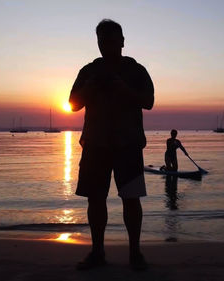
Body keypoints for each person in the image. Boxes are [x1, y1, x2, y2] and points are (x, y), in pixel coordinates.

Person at [69, 19, 154, 271]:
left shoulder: (136, 70)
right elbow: (73, 103)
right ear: (98, 42)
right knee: (95, 199)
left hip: (128, 145)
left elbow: (148, 101)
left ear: (122, 41)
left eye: (111, 39)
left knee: (132, 199)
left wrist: (124, 90)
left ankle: (135, 253)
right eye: (102, 40)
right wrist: (89, 87)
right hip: (96, 144)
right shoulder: (89, 71)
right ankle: (97, 252)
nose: (106, 44)